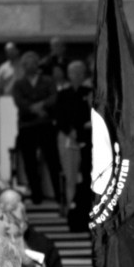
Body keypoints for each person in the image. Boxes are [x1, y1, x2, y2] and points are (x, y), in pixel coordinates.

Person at [12, 51, 60, 205]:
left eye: (32, 63)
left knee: (53, 161)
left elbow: (54, 97)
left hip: (46, 125)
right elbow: (19, 101)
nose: (29, 66)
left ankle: (58, 195)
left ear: (37, 64)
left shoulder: (47, 80)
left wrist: (42, 105)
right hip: (27, 126)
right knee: (30, 163)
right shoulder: (18, 84)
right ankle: (36, 196)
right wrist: (34, 108)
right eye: (26, 64)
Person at [54, 60, 92, 215]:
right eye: (73, 72)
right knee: (70, 175)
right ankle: (71, 207)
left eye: (79, 72)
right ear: (68, 75)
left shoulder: (90, 92)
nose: (76, 75)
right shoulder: (63, 94)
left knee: (89, 173)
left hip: (88, 137)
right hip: (67, 136)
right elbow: (59, 116)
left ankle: (89, 208)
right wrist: (70, 131)